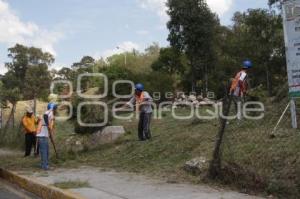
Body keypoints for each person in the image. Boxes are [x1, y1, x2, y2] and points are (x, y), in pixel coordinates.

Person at [36, 103, 57, 170]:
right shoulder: (49, 112)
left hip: (43, 135)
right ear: (52, 108)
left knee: (45, 151)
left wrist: (50, 133)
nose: (56, 109)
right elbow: (45, 116)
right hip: (42, 135)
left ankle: (44, 164)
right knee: (44, 151)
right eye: (55, 108)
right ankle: (45, 166)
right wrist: (48, 125)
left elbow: (50, 125)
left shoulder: (49, 113)